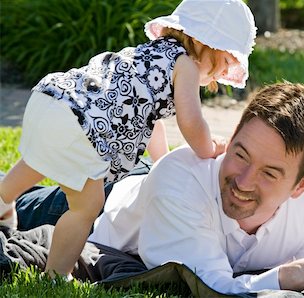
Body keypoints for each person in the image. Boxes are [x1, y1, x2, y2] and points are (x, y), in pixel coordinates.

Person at [0, 0, 256, 278]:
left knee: (41, 160)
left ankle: (3, 198)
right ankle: (55, 275)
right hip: (82, 127)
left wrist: (162, 164)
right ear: (202, 40)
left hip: (52, 100)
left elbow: (150, 122)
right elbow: (192, 123)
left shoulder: (152, 55)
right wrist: (209, 148)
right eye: (227, 60)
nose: (223, 72)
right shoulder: (186, 66)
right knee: (87, 207)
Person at [87, 82, 304, 297]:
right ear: (230, 139)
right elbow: (214, 287)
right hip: (101, 203)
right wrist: (295, 275)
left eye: (269, 173)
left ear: (300, 185)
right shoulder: (179, 185)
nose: (243, 182)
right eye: (240, 154)